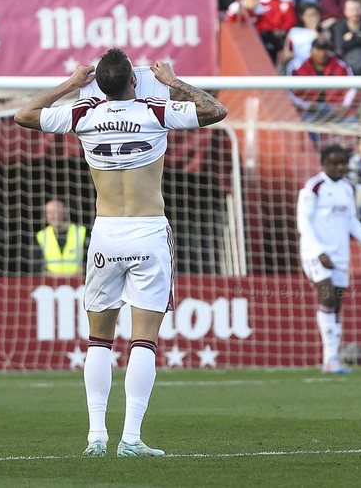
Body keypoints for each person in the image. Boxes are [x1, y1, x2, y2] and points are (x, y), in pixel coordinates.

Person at [15, 50, 226, 456]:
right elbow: (215, 110)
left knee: (99, 340)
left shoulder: (84, 114)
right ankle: (131, 438)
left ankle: (96, 436)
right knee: (143, 341)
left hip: (106, 233)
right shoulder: (155, 110)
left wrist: (71, 85)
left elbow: (23, 116)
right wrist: (173, 81)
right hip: (148, 232)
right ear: (135, 80)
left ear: (98, 82)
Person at [299, 145, 361, 371]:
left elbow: (351, 221)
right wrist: (319, 252)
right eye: (335, 163)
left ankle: (332, 360)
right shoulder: (314, 187)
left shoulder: (348, 187)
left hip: (339, 254)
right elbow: (304, 222)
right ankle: (330, 358)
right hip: (315, 251)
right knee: (327, 297)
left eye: (343, 163)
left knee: (336, 304)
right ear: (324, 163)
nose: (340, 167)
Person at [36, 199, 87, 277]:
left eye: (56, 212)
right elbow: (37, 265)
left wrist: (78, 273)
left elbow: (90, 260)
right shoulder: (41, 235)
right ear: (46, 216)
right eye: (50, 213)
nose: (53, 216)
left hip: (79, 282)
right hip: (51, 283)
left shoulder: (81, 232)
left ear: (65, 213)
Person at [331, 0, 361, 75]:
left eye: (358, 9)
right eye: (352, 10)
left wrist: (352, 37)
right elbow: (340, 46)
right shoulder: (340, 26)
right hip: (349, 65)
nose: (355, 13)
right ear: (345, 11)